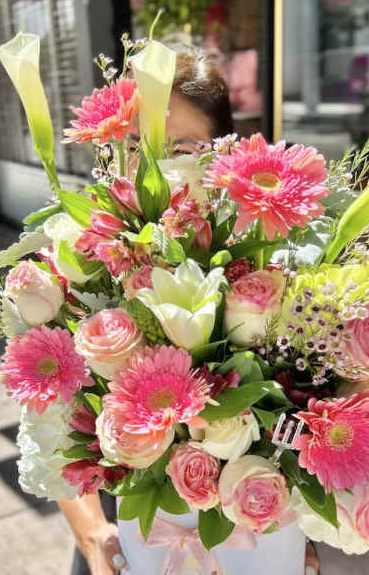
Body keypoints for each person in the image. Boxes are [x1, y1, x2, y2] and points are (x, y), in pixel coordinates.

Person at [59, 49, 320, 575]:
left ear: (223, 150)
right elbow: (51, 425)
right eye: (137, 146)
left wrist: (304, 533)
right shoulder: (88, 254)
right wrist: (91, 532)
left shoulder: (271, 261)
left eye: (181, 147)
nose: (154, 167)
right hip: (132, 539)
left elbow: (309, 416)